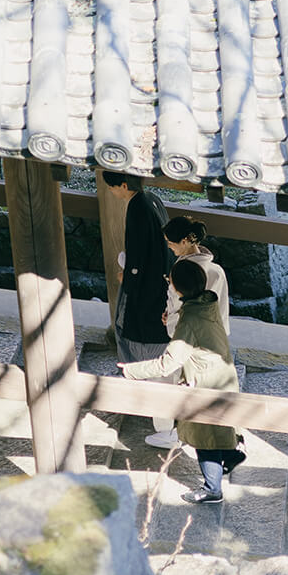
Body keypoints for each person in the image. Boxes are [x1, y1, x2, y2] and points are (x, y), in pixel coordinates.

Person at [119, 258, 244, 504]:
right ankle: (230, 456)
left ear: (176, 288)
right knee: (219, 428)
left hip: (204, 384)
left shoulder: (189, 321)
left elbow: (167, 363)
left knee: (204, 438)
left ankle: (212, 489)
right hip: (222, 375)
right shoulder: (207, 302)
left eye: (170, 281)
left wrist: (131, 371)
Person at [101, 170, 175, 447]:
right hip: (159, 284)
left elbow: (140, 256)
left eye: (112, 188)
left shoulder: (138, 209)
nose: (112, 193)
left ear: (123, 185)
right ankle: (162, 417)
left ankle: (165, 427)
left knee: (150, 354)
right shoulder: (151, 200)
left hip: (147, 293)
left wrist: (129, 277)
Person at [162, 217, 229, 337]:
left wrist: (171, 318)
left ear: (184, 241)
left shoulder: (186, 272)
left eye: (170, 243)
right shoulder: (217, 271)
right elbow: (222, 310)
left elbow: (182, 306)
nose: (168, 246)